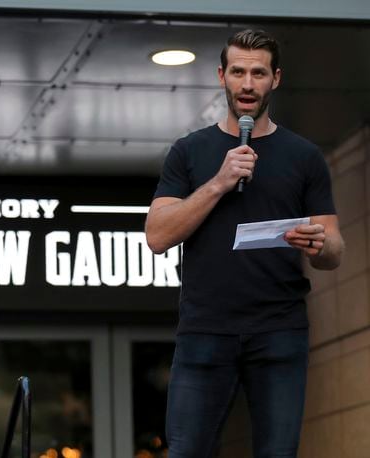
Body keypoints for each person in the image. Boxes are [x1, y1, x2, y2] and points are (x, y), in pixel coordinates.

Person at [145, 29, 344, 458]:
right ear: (222, 76)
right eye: (238, 72)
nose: (248, 84)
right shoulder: (189, 151)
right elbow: (157, 236)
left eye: (258, 73)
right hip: (205, 328)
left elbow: (335, 250)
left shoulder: (304, 156)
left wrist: (319, 243)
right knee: (187, 450)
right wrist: (218, 182)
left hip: (279, 329)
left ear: (276, 79)